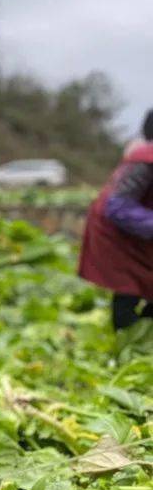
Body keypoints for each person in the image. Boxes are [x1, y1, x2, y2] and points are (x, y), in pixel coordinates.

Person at [78, 109, 153, 330]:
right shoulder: (145, 160)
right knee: (128, 285)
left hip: (137, 228)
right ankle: (129, 342)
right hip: (116, 231)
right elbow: (118, 205)